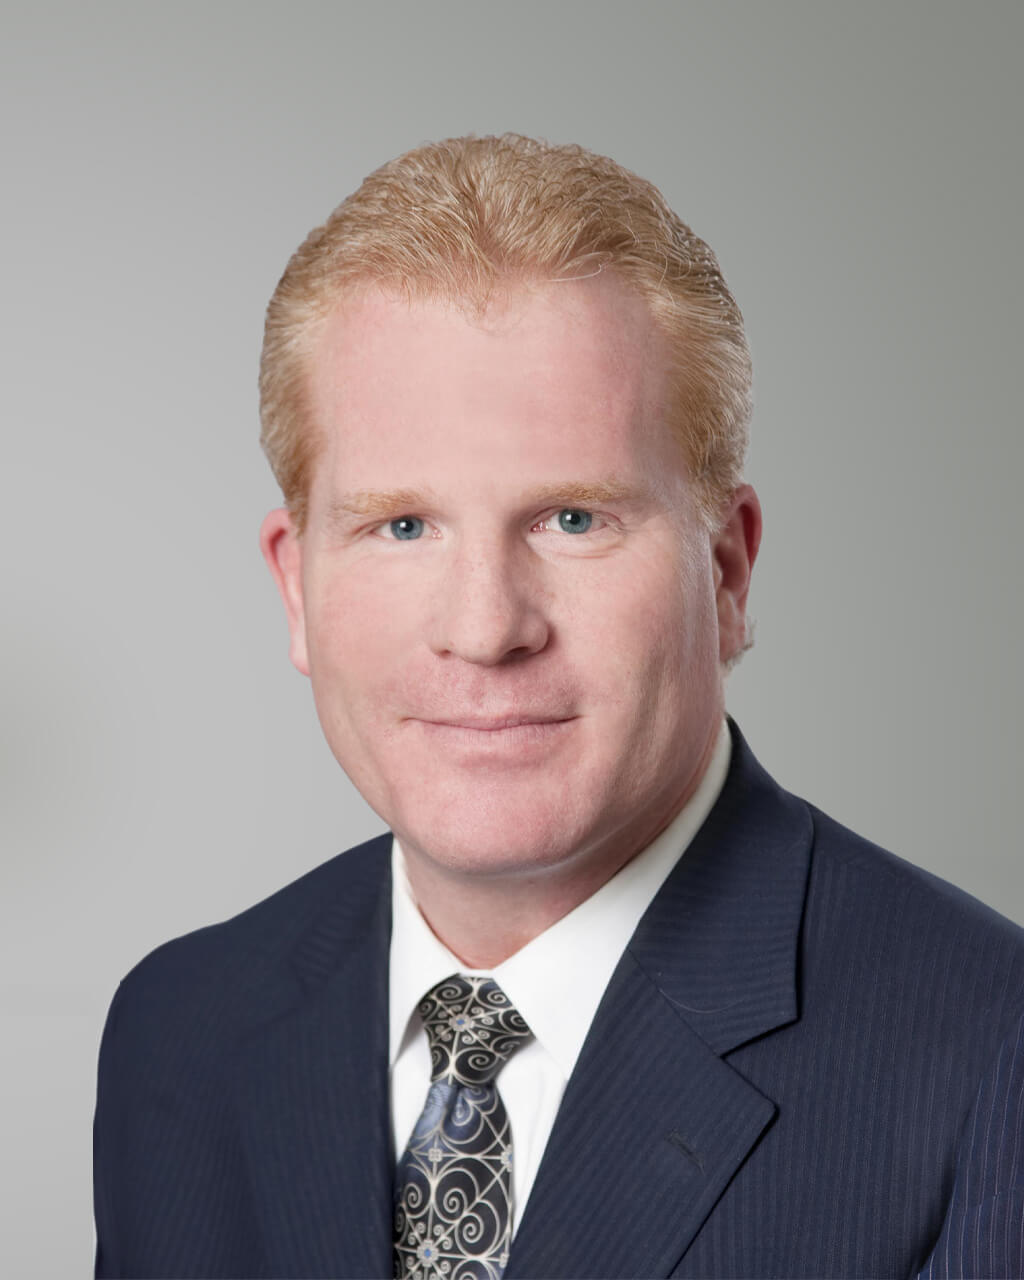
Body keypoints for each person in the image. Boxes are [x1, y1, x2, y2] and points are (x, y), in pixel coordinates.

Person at [93, 134, 1024, 1280]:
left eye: (572, 519)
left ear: (726, 574)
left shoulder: (990, 1057)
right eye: (402, 525)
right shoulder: (181, 1030)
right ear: (296, 585)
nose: (486, 627)